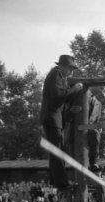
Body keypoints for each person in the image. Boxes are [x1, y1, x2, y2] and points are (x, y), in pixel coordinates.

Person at [40, 54, 83, 194]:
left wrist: (70, 111)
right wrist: (74, 89)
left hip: (54, 118)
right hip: (52, 118)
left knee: (58, 150)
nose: (71, 71)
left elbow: (59, 100)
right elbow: (58, 96)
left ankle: (57, 181)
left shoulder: (59, 76)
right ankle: (62, 184)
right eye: (70, 68)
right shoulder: (56, 73)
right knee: (57, 151)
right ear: (63, 66)